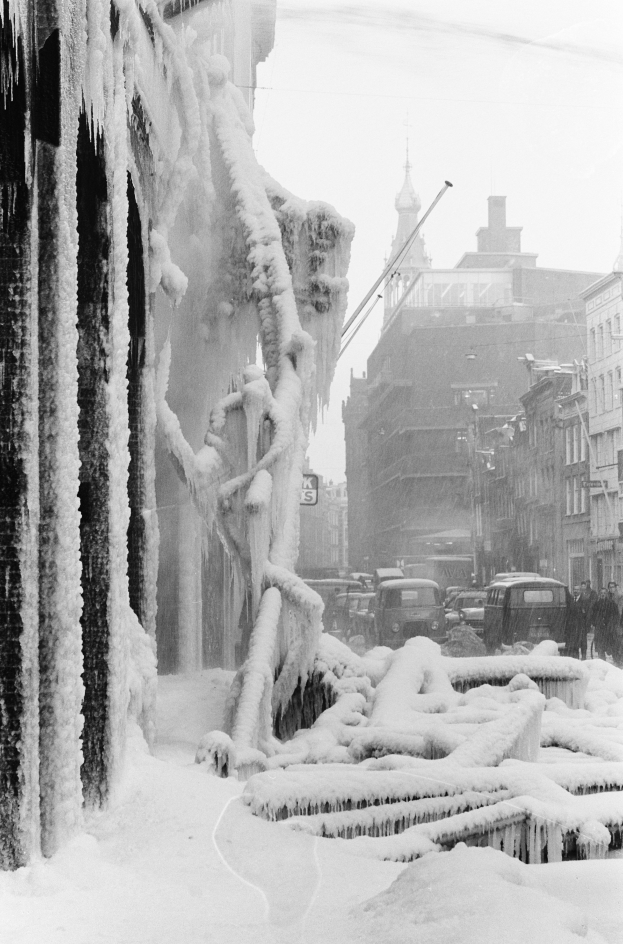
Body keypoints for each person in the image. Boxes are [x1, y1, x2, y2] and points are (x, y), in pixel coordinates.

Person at [591, 588, 619, 661]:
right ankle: (603, 664)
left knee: (612, 648)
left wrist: (612, 624)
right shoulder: (596, 604)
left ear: (606, 594)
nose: (603, 594)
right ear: (599, 594)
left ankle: (616, 664)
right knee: (600, 650)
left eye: (604, 593)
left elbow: (616, 616)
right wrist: (595, 623)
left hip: (609, 631)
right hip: (600, 631)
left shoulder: (612, 604)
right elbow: (593, 616)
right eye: (601, 593)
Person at [575, 580, 596, 659]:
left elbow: (588, 610)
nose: (584, 587)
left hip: (583, 622)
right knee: (576, 639)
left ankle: (584, 655)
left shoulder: (587, 597)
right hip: (576, 623)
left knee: (583, 639)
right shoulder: (575, 598)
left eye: (585, 585)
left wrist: (588, 621)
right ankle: (576, 655)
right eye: (583, 586)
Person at [564, 594, 584, 659]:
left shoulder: (582, 601)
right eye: (575, 589)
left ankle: (579, 658)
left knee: (578, 644)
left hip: (579, 625)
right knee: (571, 644)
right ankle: (573, 658)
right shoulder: (571, 601)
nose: (576, 591)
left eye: (577, 589)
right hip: (571, 626)